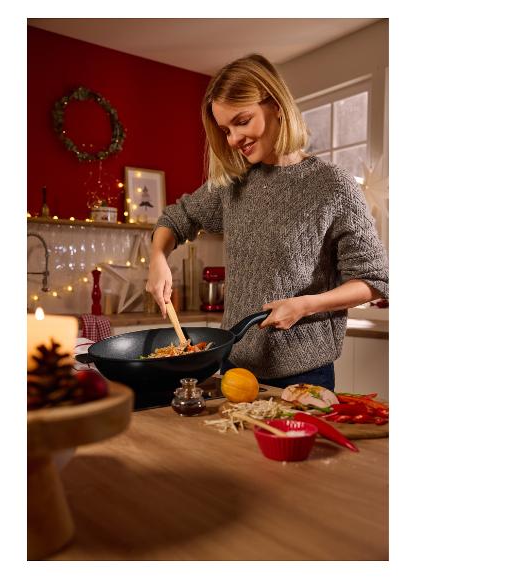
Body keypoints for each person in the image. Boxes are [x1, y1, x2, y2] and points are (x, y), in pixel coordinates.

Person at [146, 54, 388, 391]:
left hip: (305, 375)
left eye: (242, 121)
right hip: (235, 366)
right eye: (225, 130)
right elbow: (175, 219)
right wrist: (158, 258)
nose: (232, 139)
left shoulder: (331, 185)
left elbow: (374, 280)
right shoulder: (234, 184)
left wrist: (305, 305)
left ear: (275, 104)